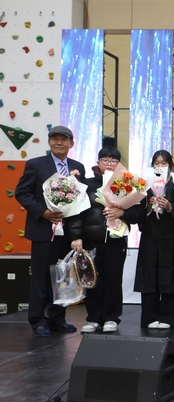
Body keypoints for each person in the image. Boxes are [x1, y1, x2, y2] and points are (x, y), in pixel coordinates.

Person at [15, 126, 84, 336]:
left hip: (68, 234)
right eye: (55, 139)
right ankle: (38, 320)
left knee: (62, 276)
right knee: (41, 277)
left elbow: (80, 200)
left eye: (63, 139)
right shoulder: (35, 164)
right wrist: (43, 212)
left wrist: (77, 233)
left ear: (71, 144)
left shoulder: (77, 167)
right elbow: (22, 193)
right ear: (49, 142)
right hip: (43, 231)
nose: (59, 143)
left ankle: (57, 318)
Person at [68, 147, 131, 333]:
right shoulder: (86, 184)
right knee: (92, 280)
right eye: (105, 160)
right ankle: (93, 318)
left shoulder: (126, 184)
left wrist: (122, 213)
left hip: (116, 240)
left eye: (114, 161)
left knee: (113, 280)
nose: (109, 164)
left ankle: (111, 318)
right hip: (91, 240)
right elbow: (76, 212)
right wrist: (76, 236)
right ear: (98, 162)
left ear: (119, 164)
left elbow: (137, 212)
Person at [131, 150, 174, 329]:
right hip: (150, 236)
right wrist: (148, 205)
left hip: (171, 237)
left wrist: (169, 206)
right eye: (157, 163)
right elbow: (137, 212)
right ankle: (150, 317)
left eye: (164, 163)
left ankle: (169, 317)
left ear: (171, 166)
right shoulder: (145, 185)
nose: (160, 166)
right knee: (149, 274)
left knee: (170, 275)